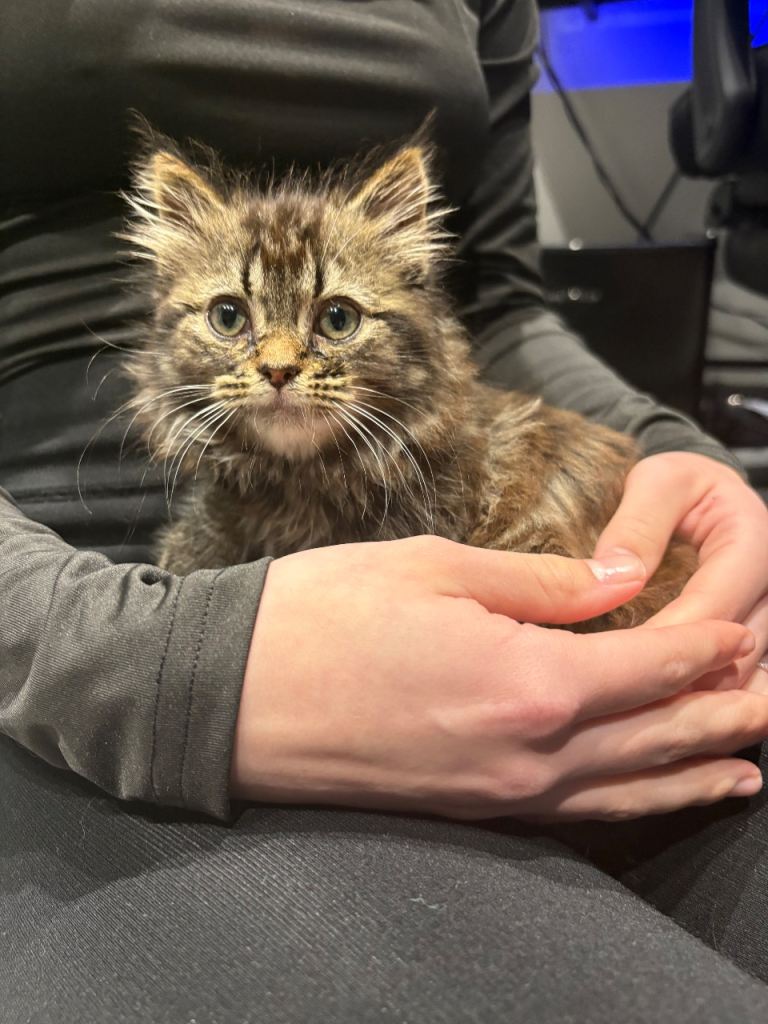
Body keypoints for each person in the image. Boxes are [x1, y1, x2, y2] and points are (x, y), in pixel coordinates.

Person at [2, 1, 768, 1021]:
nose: (278, 361)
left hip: (457, 537)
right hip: (64, 631)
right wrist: (157, 666)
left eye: (333, 320)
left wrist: (686, 461)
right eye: (231, 318)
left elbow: (497, 298)